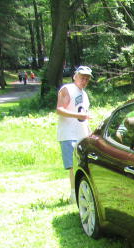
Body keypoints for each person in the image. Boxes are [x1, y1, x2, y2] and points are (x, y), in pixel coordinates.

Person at [56, 65, 92, 197]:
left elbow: (84, 115)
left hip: (82, 134)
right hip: (68, 134)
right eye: (82, 77)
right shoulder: (67, 89)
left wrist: (90, 133)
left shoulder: (85, 94)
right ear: (75, 76)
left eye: (87, 79)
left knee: (83, 164)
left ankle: (82, 192)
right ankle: (73, 194)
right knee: (72, 165)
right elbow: (59, 109)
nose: (84, 81)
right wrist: (77, 116)